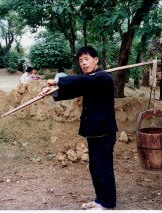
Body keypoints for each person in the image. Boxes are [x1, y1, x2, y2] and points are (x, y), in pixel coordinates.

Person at [40, 46, 118, 210]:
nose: (83, 63)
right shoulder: (91, 80)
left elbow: (82, 81)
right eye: (81, 60)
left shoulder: (103, 78)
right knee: (95, 168)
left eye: (87, 59)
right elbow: (74, 89)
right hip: (93, 132)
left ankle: (108, 204)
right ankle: (100, 200)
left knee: (103, 169)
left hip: (104, 132)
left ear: (96, 60)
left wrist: (58, 80)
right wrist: (53, 91)